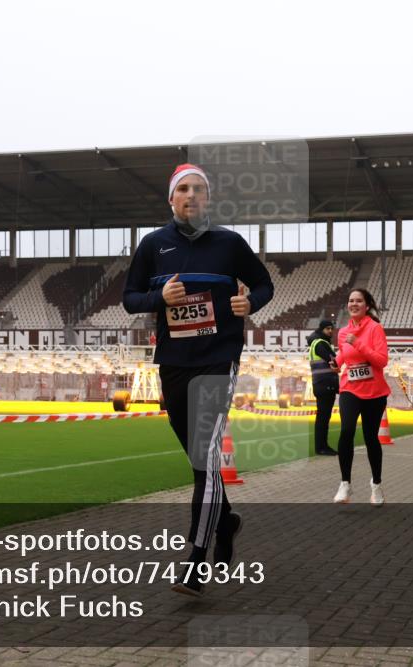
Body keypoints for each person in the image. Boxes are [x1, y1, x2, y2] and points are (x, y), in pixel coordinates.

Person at [122, 163, 274, 596]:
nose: (191, 195)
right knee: (197, 458)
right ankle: (225, 522)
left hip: (219, 357)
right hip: (173, 361)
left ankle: (195, 560)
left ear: (208, 199)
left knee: (207, 455)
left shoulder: (229, 243)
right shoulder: (153, 245)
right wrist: (158, 297)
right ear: (171, 199)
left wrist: (250, 302)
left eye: (199, 189)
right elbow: (130, 297)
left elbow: (263, 284)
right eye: (183, 189)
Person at [331, 288, 390, 506]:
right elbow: (343, 354)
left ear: (367, 305)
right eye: (350, 301)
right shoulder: (343, 332)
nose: (353, 304)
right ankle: (345, 483)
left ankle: (376, 485)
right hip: (350, 387)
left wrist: (358, 343)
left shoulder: (375, 329)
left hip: (374, 391)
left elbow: (381, 361)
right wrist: (336, 363)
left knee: (370, 438)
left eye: (358, 301)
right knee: (346, 430)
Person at [307, 320, 339, 456]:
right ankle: (321, 447)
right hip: (325, 384)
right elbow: (334, 360)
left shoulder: (317, 343)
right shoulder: (320, 343)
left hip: (321, 384)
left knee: (323, 418)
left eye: (331, 328)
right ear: (321, 330)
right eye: (327, 329)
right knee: (323, 419)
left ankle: (322, 446)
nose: (330, 331)